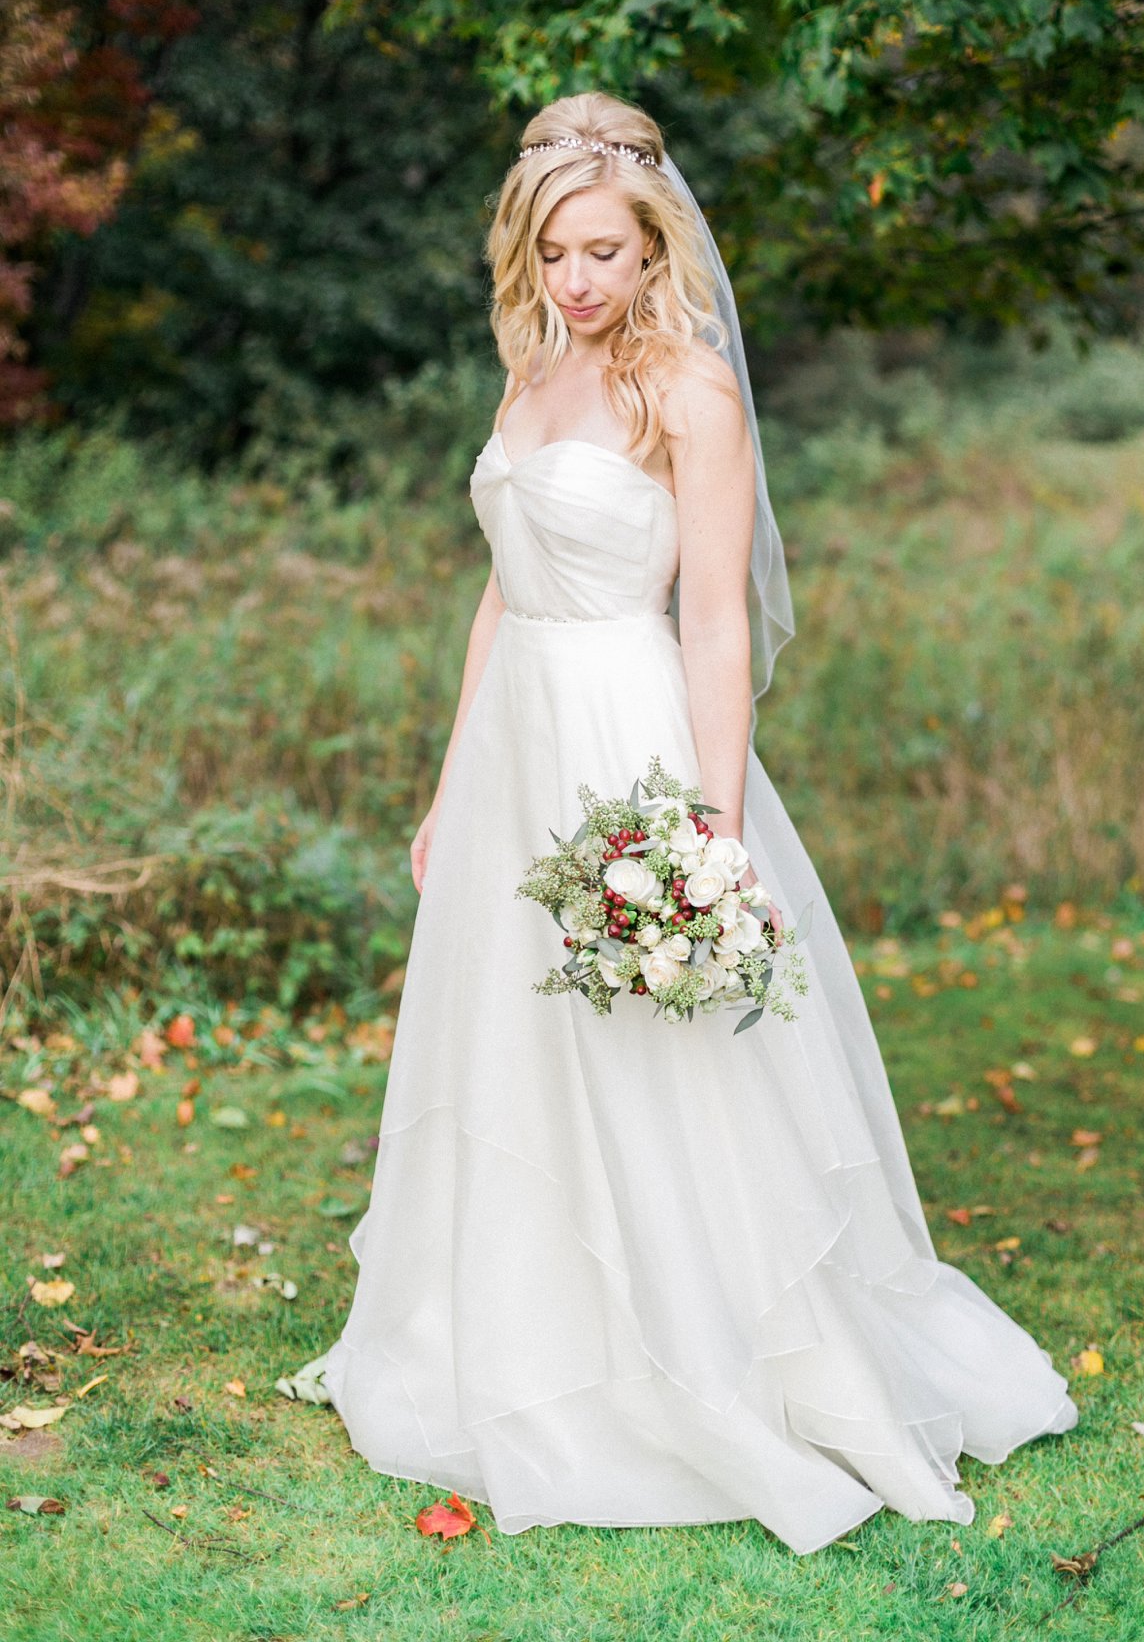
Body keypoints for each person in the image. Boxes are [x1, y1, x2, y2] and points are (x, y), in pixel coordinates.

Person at [309, 91, 1079, 1553]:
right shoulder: (527, 382)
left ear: (656, 250)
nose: (581, 280)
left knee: (661, 1060)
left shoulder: (690, 396)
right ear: (526, 256)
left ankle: (709, 1347)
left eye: (607, 251)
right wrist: (448, 778)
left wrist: (710, 836)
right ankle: (521, 1338)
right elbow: (499, 587)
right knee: (513, 1045)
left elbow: (716, 623)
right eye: (556, 253)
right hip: (517, 749)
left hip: (628, 741)